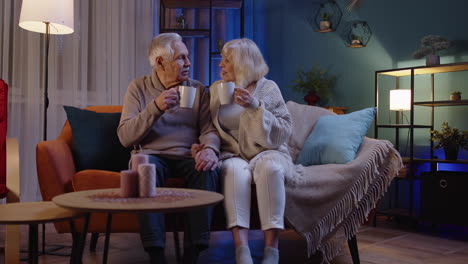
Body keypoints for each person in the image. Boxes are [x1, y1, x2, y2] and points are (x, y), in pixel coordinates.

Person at [117, 33, 220, 264]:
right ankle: (156, 255)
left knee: (207, 167)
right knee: (145, 167)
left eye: (188, 57)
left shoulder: (197, 89)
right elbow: (125, 136)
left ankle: (192, 254)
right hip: (153, 155)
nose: (189, 63)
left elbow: (209, 130)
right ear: (160, 62)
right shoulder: (139, 88)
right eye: (181, 58)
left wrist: (210, 150)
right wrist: (156, 107)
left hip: (187, 155)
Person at [193, 38, 293, 264]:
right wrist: (204, 146)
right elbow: (209, 129)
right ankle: (242, 251)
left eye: (226, 61)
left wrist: (255, 107)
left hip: (266, 150)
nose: (220, 65)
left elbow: (284, 130)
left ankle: (271, 251)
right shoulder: (217, 90)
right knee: (234, 171)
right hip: (232, 153)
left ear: (243, 63)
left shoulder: (268, 88)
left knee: (271, 168)